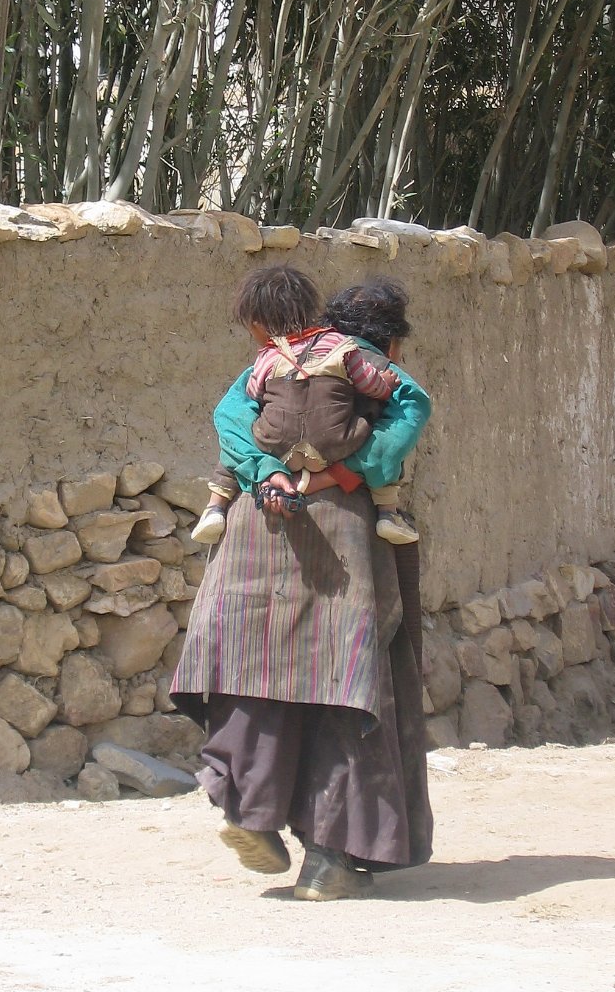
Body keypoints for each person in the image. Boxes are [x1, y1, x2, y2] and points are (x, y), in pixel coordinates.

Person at [171, 273, 433, 901]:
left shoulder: (269, 359)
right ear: (389, 339)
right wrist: (350, 471)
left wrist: (264, 471)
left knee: (254, 674)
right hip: (340, 536)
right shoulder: (364, 361)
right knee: (344, 685)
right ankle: (329, 862)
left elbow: (228, 418)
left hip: (258, 527)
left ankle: (249, 813)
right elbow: (412, 409)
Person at [191, 266, 418, 546]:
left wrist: (268, 470)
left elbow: (232, 415)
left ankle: (215, 507)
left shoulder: (264, 362)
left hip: (266, 492)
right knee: (404, 554)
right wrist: (336, 474)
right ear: (393, 346)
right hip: (347, 505)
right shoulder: (368, 365)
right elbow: (398, 428)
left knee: (232, 452)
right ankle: (388, 513)